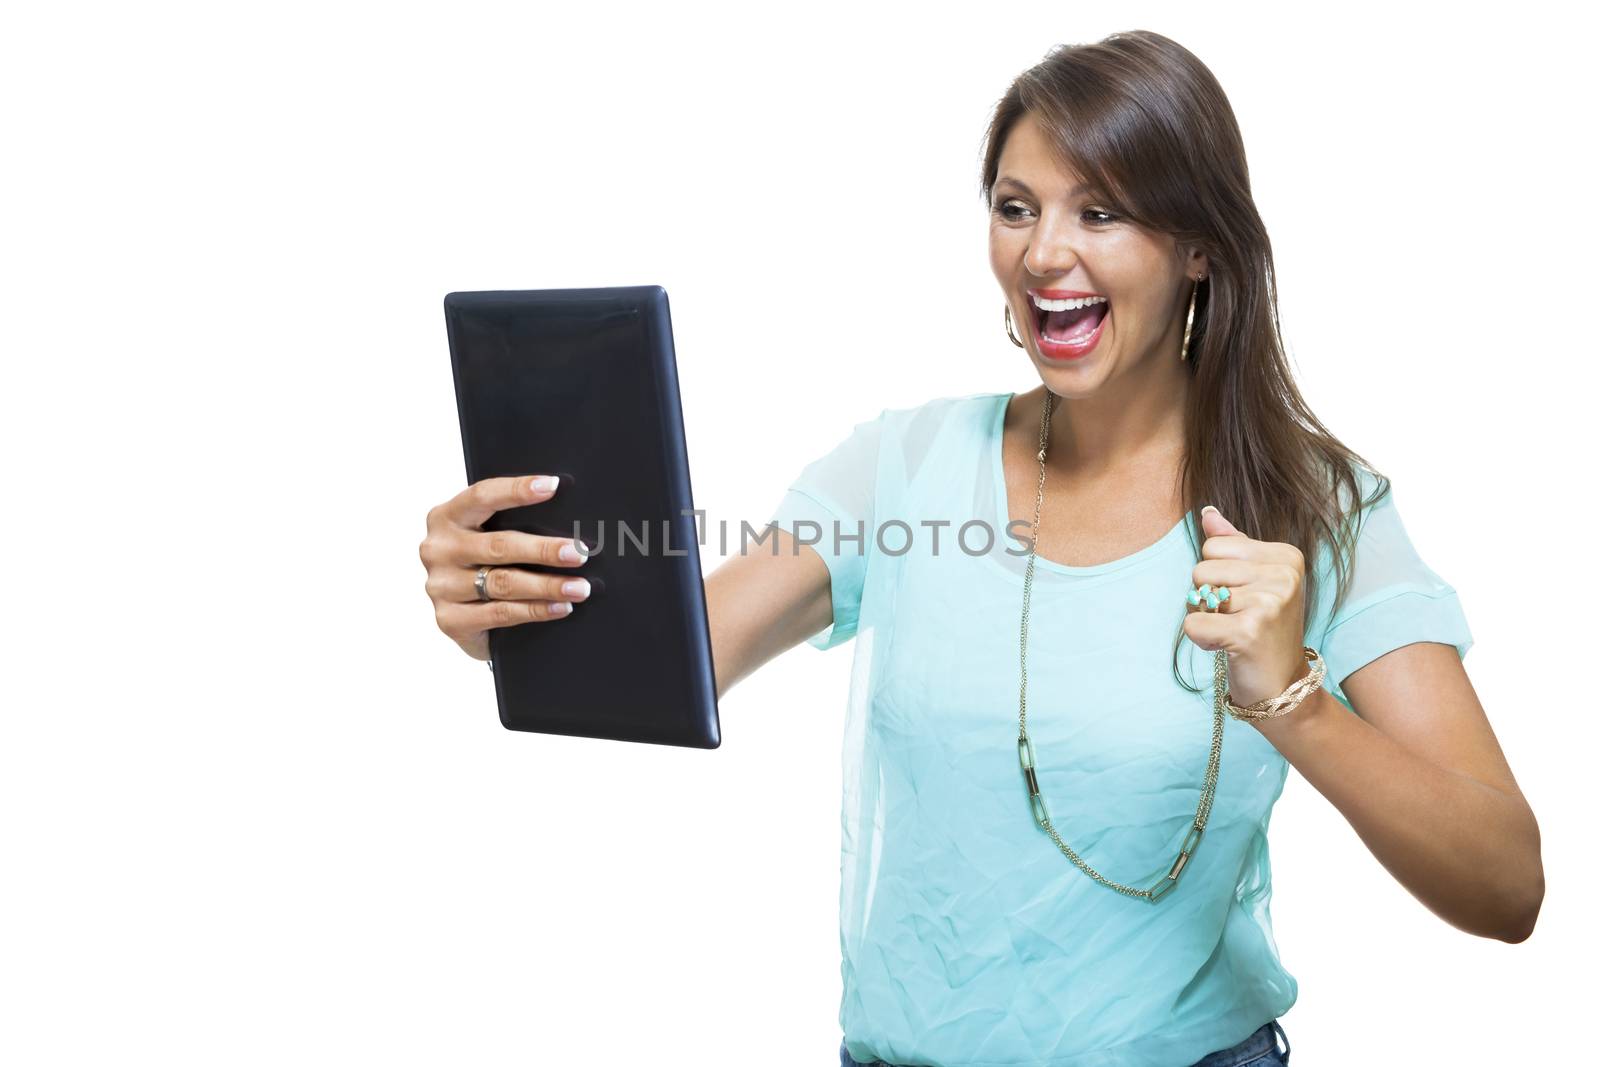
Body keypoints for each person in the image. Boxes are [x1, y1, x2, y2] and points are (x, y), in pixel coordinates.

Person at [419, 30, 1543, 1067]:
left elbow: (1505, 883)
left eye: (1100, 212)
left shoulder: (1319, 504)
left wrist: (1293, 699)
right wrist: (504, 600)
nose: (1045, 253)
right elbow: (665, 669)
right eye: (1016, 206)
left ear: (1199, 247)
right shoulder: (904, 466)